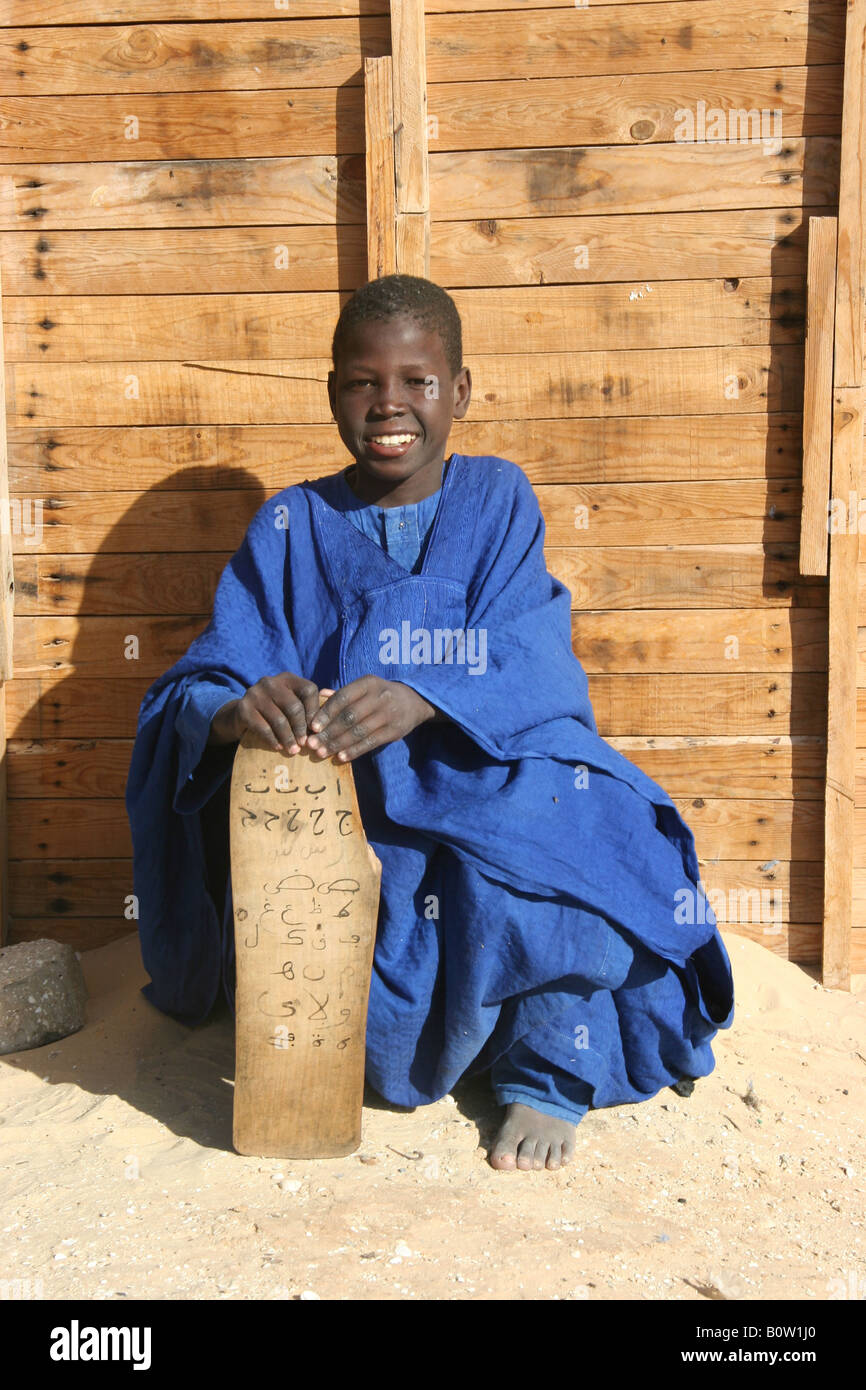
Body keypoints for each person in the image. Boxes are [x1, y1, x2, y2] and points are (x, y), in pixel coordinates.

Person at [126, 274, 734, 1172]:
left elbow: (532, 647)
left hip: (483, 778)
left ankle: (546, 1071)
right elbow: (207, 674)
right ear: (332, 393)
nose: (389, 405)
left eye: (417, 380)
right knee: (369, 1032)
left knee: (579, 831)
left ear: (461, 391)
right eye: (362, 382)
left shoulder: (495, 500)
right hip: (361, 811)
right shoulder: (289, 525)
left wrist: (422, 697)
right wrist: (233, 711)